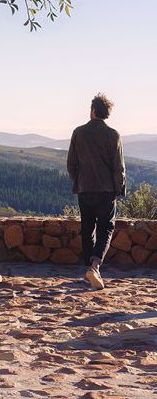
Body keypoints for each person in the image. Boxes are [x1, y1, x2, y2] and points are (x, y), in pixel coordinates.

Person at [67, 93, 126, 290]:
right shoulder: (113, 135)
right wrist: (119, 190)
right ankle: (95, 265)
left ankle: (88, 270)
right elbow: (118, 167)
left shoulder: (78, 132)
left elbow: (71, 164)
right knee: (106, 229)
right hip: (106, 190)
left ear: (93, 111)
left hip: (85, 189)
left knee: (87, 229)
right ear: (106, 113)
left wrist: (78, 182)